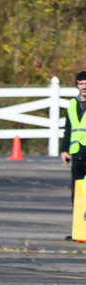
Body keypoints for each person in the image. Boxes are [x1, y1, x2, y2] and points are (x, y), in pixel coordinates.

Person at [60, 71, 86, 204]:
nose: (84, 87)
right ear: (77, 85)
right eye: (81, 84)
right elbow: (68, 130)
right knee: (77, 192)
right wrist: (64, 150)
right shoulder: (72, 104)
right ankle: (80, 222)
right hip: (76, 154)